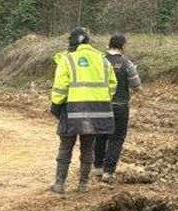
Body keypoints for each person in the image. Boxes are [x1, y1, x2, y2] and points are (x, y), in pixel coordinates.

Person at [49, 28, 117, 194]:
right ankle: (84, 184)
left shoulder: (68, 59)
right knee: (88, 147)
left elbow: (60, 88)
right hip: (96, 111)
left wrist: (56, 105)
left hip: (72, 109)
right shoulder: (103, 61)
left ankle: (59, 184)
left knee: (66, 146)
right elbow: (112, 85)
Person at [93, 33, 141, 183]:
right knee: (116, 137)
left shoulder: (99, 61)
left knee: (100, 135)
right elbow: (136, 85)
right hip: (120, 106)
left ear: (109, 45)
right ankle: (109, 172)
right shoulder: (127, 63)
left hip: (101, 104)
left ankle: (97, 168)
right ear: (123, 47)